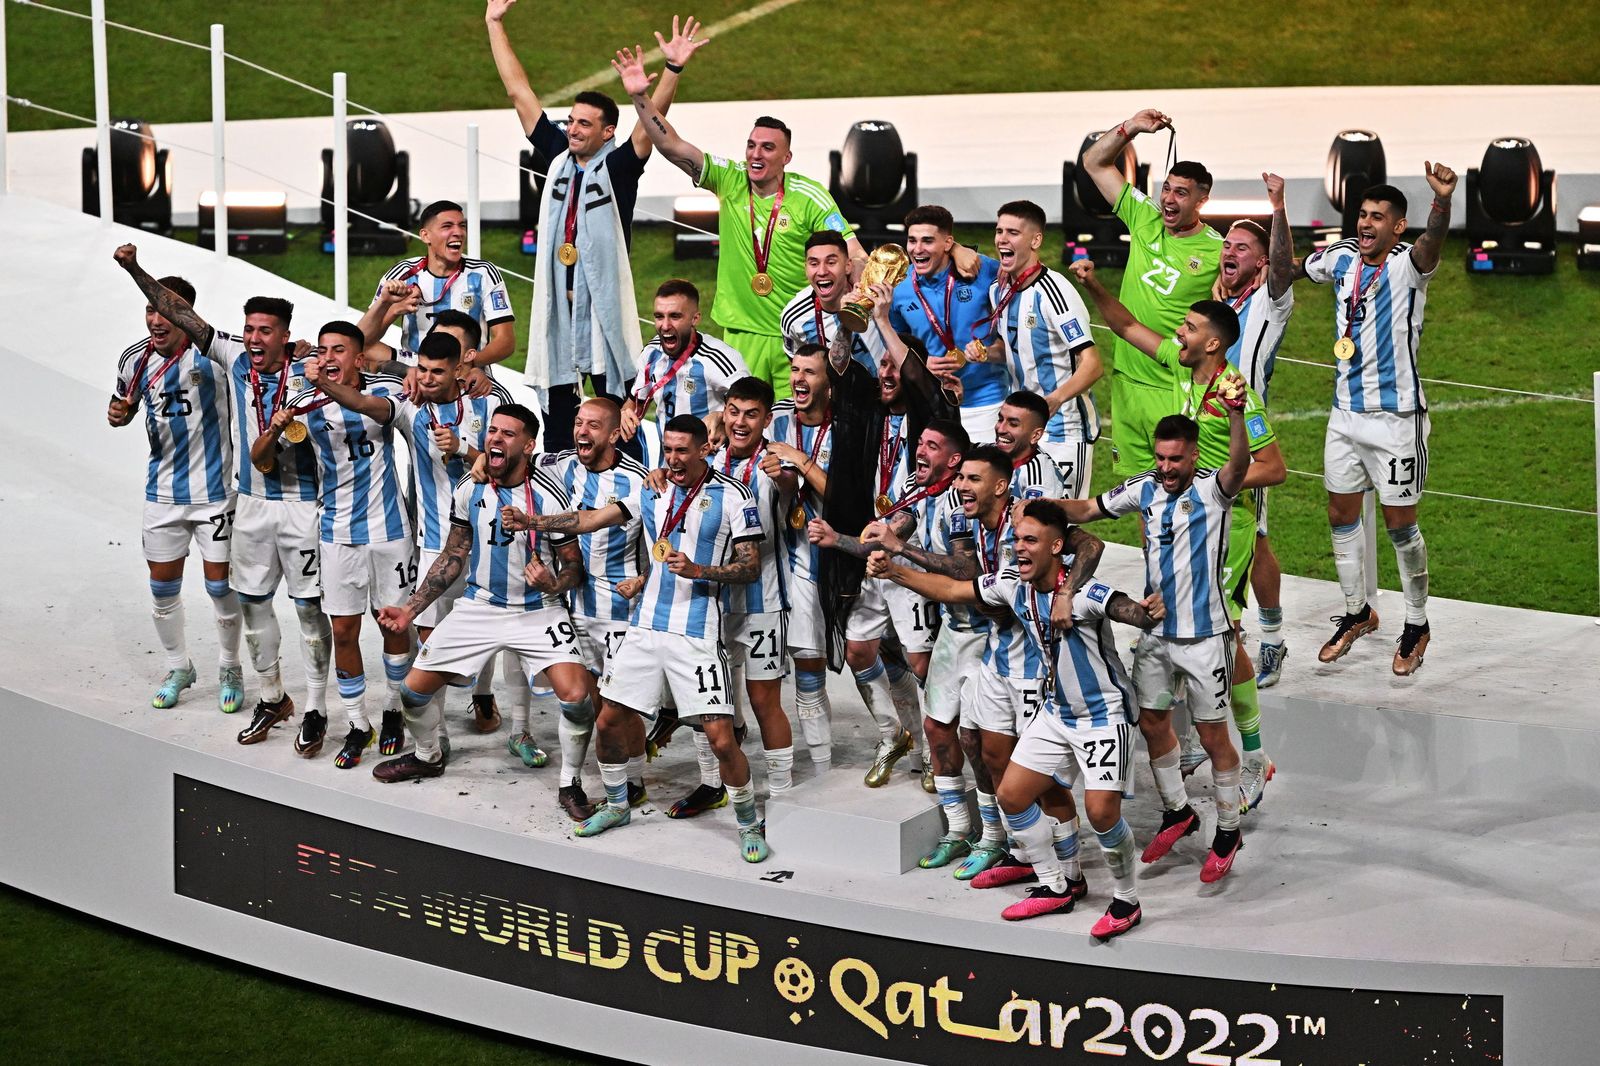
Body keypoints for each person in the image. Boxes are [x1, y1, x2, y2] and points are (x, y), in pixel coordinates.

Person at [871, 500, 1162, 939]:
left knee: (1101, 814)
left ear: (1057, 547)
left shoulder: (1083, 594)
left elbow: (1127, 610)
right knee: (1011, 795)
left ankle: (1127, 900)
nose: (1020, 548)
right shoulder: (1012, 585)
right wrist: (895, 571)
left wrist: (1148, 611)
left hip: (1104, 718)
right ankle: (1057, 884)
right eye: (1017, 540)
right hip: (1056, 713)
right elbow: (952, 590)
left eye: (1031, 541)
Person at [503, 415, 770, 862]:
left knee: (722, 738)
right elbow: (589, 520)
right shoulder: (653, 488)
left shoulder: (733, 496)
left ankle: (748, 821)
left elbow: (750, 566)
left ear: (704, 450)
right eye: (667, 450)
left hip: (696, 634)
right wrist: (532, 519)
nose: (672, 459)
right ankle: (618, 804)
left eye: (683, 450)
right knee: (608, 720)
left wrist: (701, 570)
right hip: (644, 629)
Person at [1070, 271, 1286, 813]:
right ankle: (1193, 738)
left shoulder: (1239, 396)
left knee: (1225, 634)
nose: (1178, 334)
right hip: (1181, 521)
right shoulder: (1180, 367)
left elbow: (1275, 468)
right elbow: (1124, 325)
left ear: (1212, 343)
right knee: (1171, 622)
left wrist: (1214, 484)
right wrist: (1094, 285)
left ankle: (1255, 756)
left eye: (1188, 328)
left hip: (1223, 529)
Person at [112, 246, 332, 750]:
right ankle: (271, 695)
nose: (254, 338)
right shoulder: (232, 356)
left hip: (297, 504)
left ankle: (317, 707)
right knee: (252, 600)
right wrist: (133, 269)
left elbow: (360, 352)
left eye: (265, 330)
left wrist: (322, 352)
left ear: (284, 333)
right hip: (249, 503)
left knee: (307, 610)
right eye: (249, 328)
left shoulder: (310, 370)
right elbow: (181, 314)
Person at [1045, 401, 1254, 885]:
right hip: (1156, 634)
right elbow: (1092, 508)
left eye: (1174, 460)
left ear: (1194, 455)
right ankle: (1178, 812)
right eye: (1160, 458)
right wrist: (1042, 508)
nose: (1165, 468)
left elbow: (1240, 465)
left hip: (1206, 639)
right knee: (1154, 722)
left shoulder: (1214, 489)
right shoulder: (1144, 487)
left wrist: (1238, 418)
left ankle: (1228, 829)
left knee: (1211, 736)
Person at [489, 2, 706, 448]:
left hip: (605, 316)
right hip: (559, 315)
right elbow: (519, 93)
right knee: (562, 428)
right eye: (570, 120)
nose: (572, 129)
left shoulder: (620, 168)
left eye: (584, 123)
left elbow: (651, 127)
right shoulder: (557, 157)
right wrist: (494, 23)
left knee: (616, 422)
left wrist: (671, 70)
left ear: (607, 132)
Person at [614, 50, 864, 398]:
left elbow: (855, 253)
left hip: (795, 338)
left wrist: (854, 306)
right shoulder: (730, 180)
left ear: (786, 158)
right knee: (741, 429)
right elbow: (671, 146)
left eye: (767, 148)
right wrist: (640, 97)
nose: (755, 155)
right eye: (751, 146)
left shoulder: (809, 196)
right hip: (739, 336)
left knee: (798, 428)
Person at [374, 405, 593, 782]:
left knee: (577, 700)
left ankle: (569, 782)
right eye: (493, 430)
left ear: (528, 446)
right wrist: (410, 610)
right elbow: (454, 555)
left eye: (508, 434)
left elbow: (573, 565)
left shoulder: (549, 496)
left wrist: (553, 583)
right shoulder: (469, 488)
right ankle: (428, 756)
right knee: (412, 693)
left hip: (538, 610)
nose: (495, 438)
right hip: (481, 606)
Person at [1298, 166, 1456, 676]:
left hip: (1397, 422)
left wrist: (1442, 204)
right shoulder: (1342, 257)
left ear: (1397, 227)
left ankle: (1416, 622)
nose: (1366, 223)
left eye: (1377, 218)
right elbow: (1297, 269)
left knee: (1399, 525)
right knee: (1340, 516)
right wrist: (1275, 221)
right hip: (1345, 415)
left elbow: (1433, 243)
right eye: (1362, 215)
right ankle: (1357, 611)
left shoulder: (1411, 265)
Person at [254, 323, 415, 769]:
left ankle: (393, 708)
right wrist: (276, 427)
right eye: (322, 349)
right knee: (343, 631)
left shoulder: (386, 392)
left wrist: (319, 381)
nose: (328, 356)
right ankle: (359, 723)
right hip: (336, 534)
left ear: (359, 359)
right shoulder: (306, 403)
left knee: (394, 628)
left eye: (339, 350)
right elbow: (261, 459)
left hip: (389, 532)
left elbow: (366, 405)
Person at [108, 271, 242, 714]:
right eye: (151, 309)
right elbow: (125, 405)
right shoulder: (134, 359)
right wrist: (119, 414)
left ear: (186, 315)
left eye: (165, 309)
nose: (156, 318)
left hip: (215, 495)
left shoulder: (215, 359)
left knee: (220, 585)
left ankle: (228, 666)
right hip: (162, 495)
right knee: (162, 588)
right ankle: (178, 666)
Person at [386, 331, 520, 761]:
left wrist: (464, 448)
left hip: (486, 533)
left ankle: (482, 694)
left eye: (438, 369)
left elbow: (512, 456)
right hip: (433, 537)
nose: (427, 376)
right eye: (423, 367)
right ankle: (437, 731)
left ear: (465, 363)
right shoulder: (411, 400)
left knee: (492, 619)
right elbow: (369, 351)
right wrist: (406, 368)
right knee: (431, 640)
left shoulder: (491, 397)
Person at [670, 376, 796, 817]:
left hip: (762, 601)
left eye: (752, 414)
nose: (741, 421)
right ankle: (712, 784)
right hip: (710, 602)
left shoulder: (776, 465)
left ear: (766, 419)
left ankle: (782, 794)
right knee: (706, 703)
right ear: (725, 412)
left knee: (765, 701)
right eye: (735, 412)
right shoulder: (708, 457)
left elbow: (791, 503)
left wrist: (785, 483)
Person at [1081, 109, 1222, 483]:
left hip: (1171, 383)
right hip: (1127, 380)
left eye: (1181, 192)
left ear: (1202, 199)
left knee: (1179, 491)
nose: (1169, 200)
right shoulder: (1144, 217)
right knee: (1141, 494)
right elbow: (1094, 162)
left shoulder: (1215, 252)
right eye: (1166, 189)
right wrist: (1133, 128)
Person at [536, 396, 653, 820]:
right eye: (578, 423)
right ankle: (570, 782)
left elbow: (662, 540)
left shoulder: (640, 481)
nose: (582, 432)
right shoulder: (560, 465)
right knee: (578, 699)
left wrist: (644, 579)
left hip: (618, 611)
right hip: (569, 606)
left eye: (593, 426)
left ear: (613, 433)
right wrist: (470, 457)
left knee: (617, 706)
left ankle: (635, 780)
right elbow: (511, 461)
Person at [960, 201, 1101, 497]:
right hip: (1021, 432)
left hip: (1063, 429)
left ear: (1035, 240)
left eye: (1013, 232)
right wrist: (986, 353)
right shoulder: (999, 290)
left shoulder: (1055, 292)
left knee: (1056, 526)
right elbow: (1010, 349)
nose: (1002, 239)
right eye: (999, 231)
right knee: (1019, 523)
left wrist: (1054, 399)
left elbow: (1092, 363)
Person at [1214, 174, 1295, 688]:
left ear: (1261, 263)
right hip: (1209, 427)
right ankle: (1232, 632)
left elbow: (1284, 266)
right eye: (1227, 245)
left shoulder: (1271, 299)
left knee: (1255, 539)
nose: (1230, 252)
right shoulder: (1220, 305)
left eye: (1242, 248)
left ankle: (1269, 638)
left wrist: (1279, 208)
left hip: (1248, 431)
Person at [761, 345, 838, 774]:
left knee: (810, 668)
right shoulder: (777, 417)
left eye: (811, 371)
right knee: (759, 673)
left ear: (828, 382)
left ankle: (824, 768)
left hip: (814, 557)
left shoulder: (844, 428)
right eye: (795, 370)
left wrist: (801, 463)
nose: (799, 379)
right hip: (770, 559)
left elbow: (844, 501)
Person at [889, 204, 1009, 443]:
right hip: (929, 401)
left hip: (985, 403)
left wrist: (988, 352)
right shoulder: (899, 289)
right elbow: (896, 344)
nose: (917, 249)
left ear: (947, 243)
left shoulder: (983, 271)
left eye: (927, 241)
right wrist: (921, 364)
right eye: (912, 241)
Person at [375, 200, 515, 365]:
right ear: (425, 236)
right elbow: (365, 338)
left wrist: (465, 367)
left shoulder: (483, 273)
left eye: (462, 226)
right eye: (447, 226)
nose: (458, 232)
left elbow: (506, 341)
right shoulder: (402, 274)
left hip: (470, 375)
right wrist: (394, 310)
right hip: (416, 374)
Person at [621, 279, 749, 459]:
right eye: (659, 316)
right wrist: (626, 413)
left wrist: (721, 416)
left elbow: (753, 407)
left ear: (695, 318)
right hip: (667, 468)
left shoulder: (719, 359)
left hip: (712, 470)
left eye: (675, 316)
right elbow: (635, 402)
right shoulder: (651, 354)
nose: (665, 326)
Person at [780, 230, 888, 377]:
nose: (822, 271)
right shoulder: (794, 317)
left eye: (831, 262)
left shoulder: (877, 294)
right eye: (814, 263)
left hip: (887, 393)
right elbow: (799, 370)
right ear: (805, 268)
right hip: (835, 397)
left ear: (848, 266)